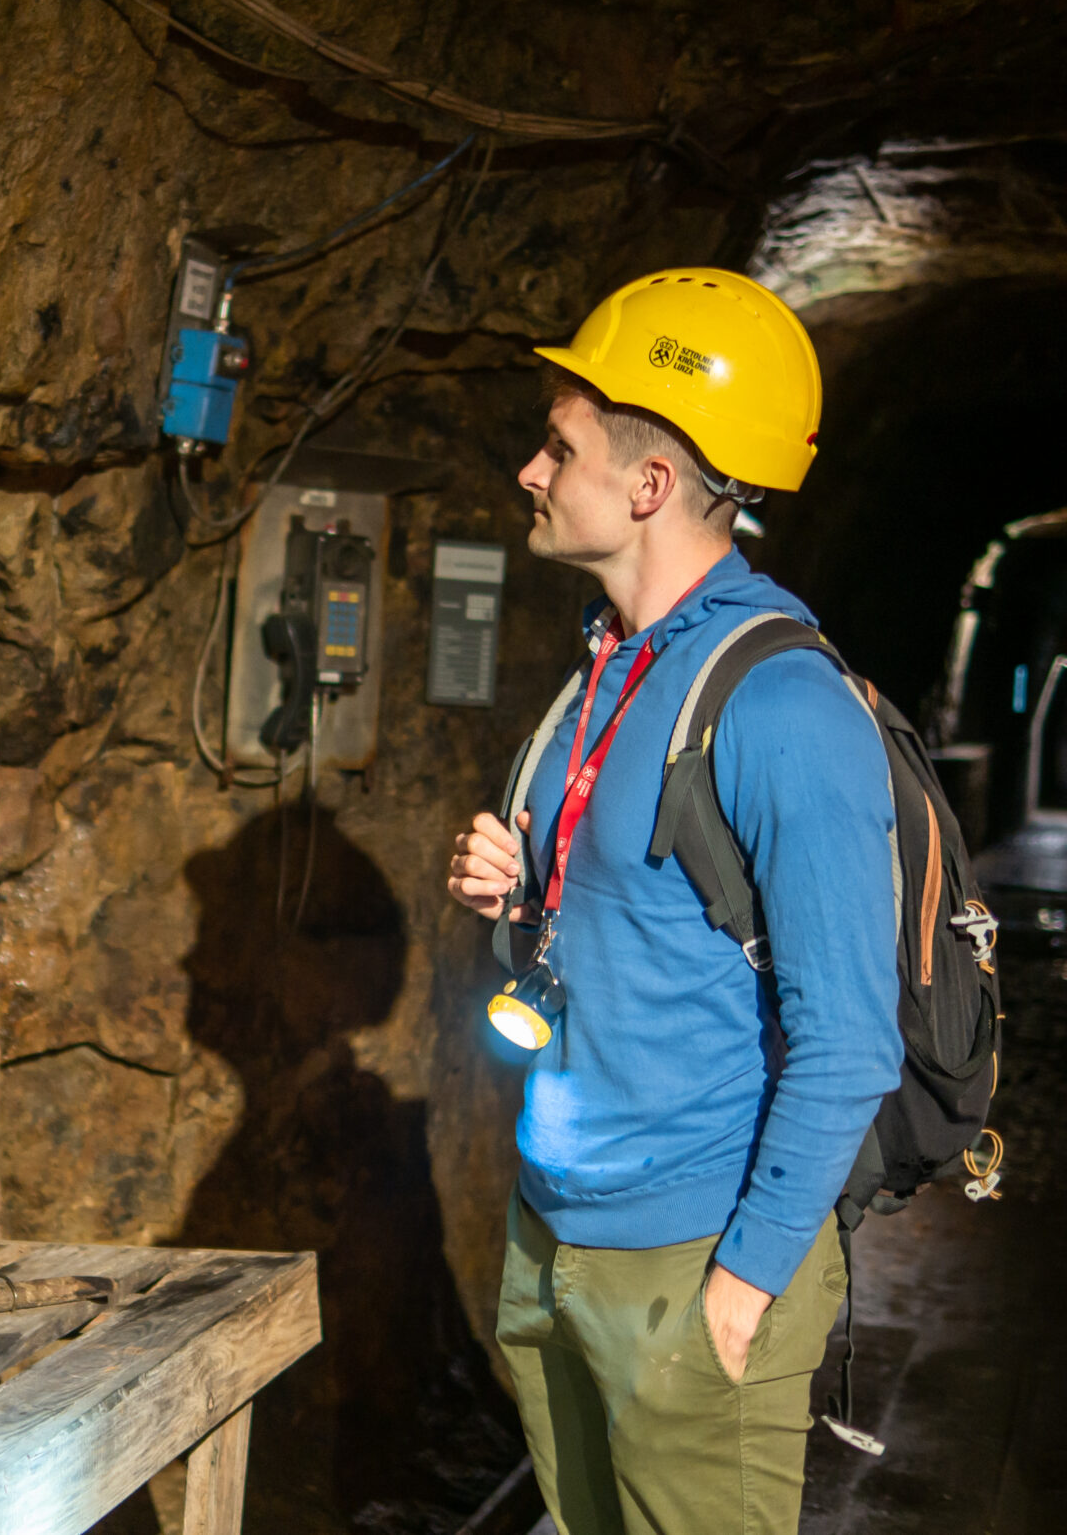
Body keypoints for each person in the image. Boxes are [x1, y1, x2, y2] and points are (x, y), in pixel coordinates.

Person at [445, 268, 904, 1535]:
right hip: (554, 1228)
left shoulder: (780, 705)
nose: (529, 472)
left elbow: (849, 1036)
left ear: (646, 486)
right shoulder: (611, 662)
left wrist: (745, 1280)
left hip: (691, 1258)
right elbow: (642, 906)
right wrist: (524, 880)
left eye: (559, 446)